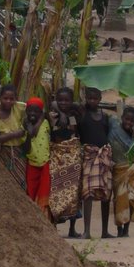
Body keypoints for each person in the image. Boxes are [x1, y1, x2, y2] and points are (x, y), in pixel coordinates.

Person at [77, 86, 113, 239]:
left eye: (95, 98)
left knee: (106, 193)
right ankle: (87, 231)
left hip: (103, 156)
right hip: (89, 156)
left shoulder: (105, 117)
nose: (92, 101)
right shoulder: (82, 114)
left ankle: (105, 231)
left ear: (100, 99)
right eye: (89, 98)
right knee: (88, 193)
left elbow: (107, 135)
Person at [47, 87, 83, 237]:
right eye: (60, 100)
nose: (63, 102)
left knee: (74, 192)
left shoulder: (74, 114)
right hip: (56, 154)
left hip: (72, 155)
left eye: (66, 100)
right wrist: (59, 113)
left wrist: (65, 115)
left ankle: (72, 228)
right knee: (54, 191)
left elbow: (74, 130)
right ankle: (53, 225)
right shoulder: (52, 115)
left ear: (71, 100)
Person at [109, 105, 134, 238]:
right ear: (122, 118)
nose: (129, 123)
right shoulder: (113, 129)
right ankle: (119, 229)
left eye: (132, 121)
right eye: (127, 119)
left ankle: (126, 229)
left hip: (132, 172)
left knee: (130, 200)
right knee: (119, 201)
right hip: (117, 171)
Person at [0, 83, 26, 188]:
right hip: (6, 152)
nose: (8, 101)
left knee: (23, 183)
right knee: (8, 184)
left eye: (12, 99)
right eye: (5, 98)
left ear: (16, 99)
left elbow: (38, 109)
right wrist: (15, 134)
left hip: (22, 151)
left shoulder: (20, 107)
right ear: (0, 98)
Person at [22, 97, 51, 216]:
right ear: (26, 111)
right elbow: (26, 149)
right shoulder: (24, 125)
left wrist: (42, 118)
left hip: (45, 163)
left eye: (36, 111)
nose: (32, 113)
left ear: (41, 113)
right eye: (30, 111)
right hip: (32, 163)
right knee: (30, 191)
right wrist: (29, 133)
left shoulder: (46, 122)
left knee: (44, 192)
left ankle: (43, 219)